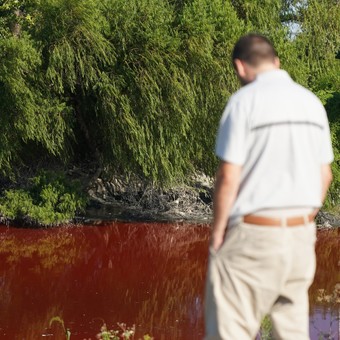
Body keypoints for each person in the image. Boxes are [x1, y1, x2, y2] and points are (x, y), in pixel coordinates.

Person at [204, 34, 333, 340]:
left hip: (254, 235)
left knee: (230, 332)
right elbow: (325, 175)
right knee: (291, 333)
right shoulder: (311, 103)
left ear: (239, 67)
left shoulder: (243, 103)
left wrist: (219, 233)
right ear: (276, 62)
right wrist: (304, 218)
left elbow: (229, 176)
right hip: (301, 238)